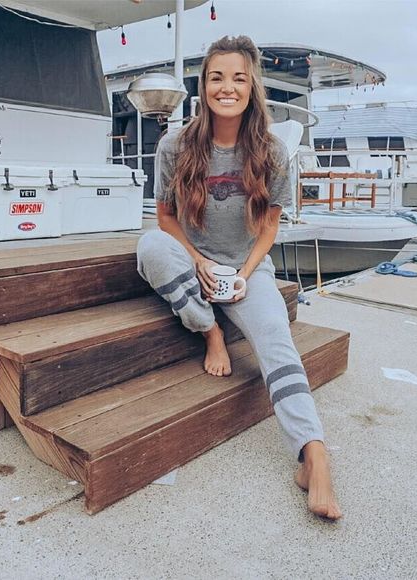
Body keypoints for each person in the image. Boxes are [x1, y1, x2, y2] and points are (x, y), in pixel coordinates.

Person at [137, 36, 342, 521]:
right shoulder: (175, 145)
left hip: (248, 266)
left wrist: (244, 275)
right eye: (216, 77)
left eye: (238, 78)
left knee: (276, 338)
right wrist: (200, 262)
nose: (226, 88)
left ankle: (313, 454)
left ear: (252, 88)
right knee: (150, 247)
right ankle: (210, 331)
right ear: (203, 86)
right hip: (191, 260)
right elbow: (165, 218)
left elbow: (269, 227)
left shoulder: (271, 150)